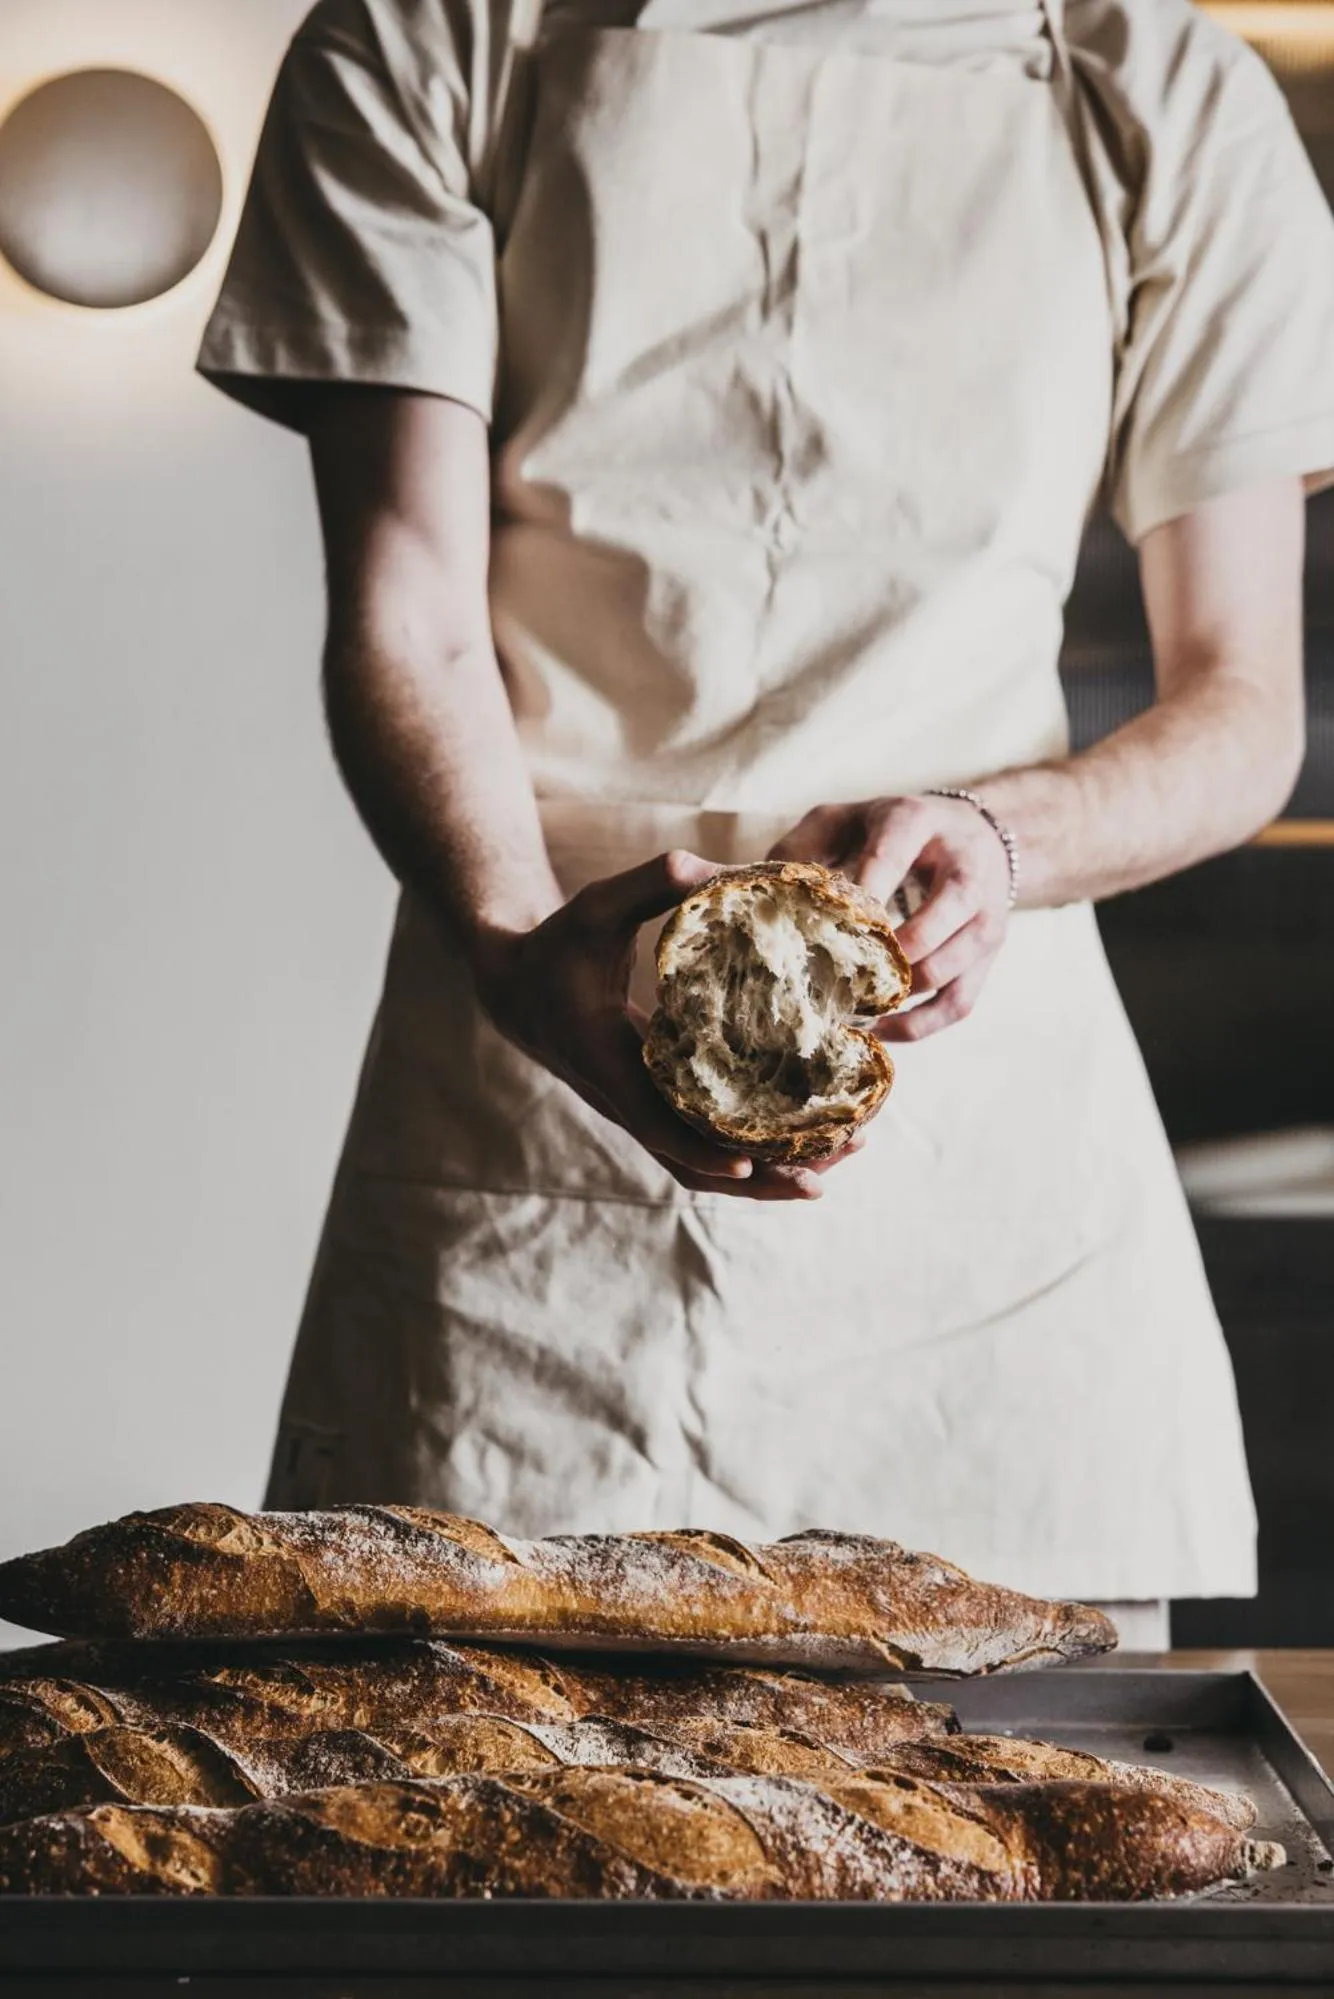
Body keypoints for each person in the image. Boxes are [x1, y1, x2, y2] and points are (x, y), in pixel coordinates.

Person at [198, 0, 1334, 1648]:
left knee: (1013, 1845)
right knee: (463, 1825)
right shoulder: (427, 35)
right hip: (529, 1081)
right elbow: (409, 613)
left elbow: (1236, 708)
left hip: (984, 1179)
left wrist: (998, 842)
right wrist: (515, 939)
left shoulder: (1159, 88)